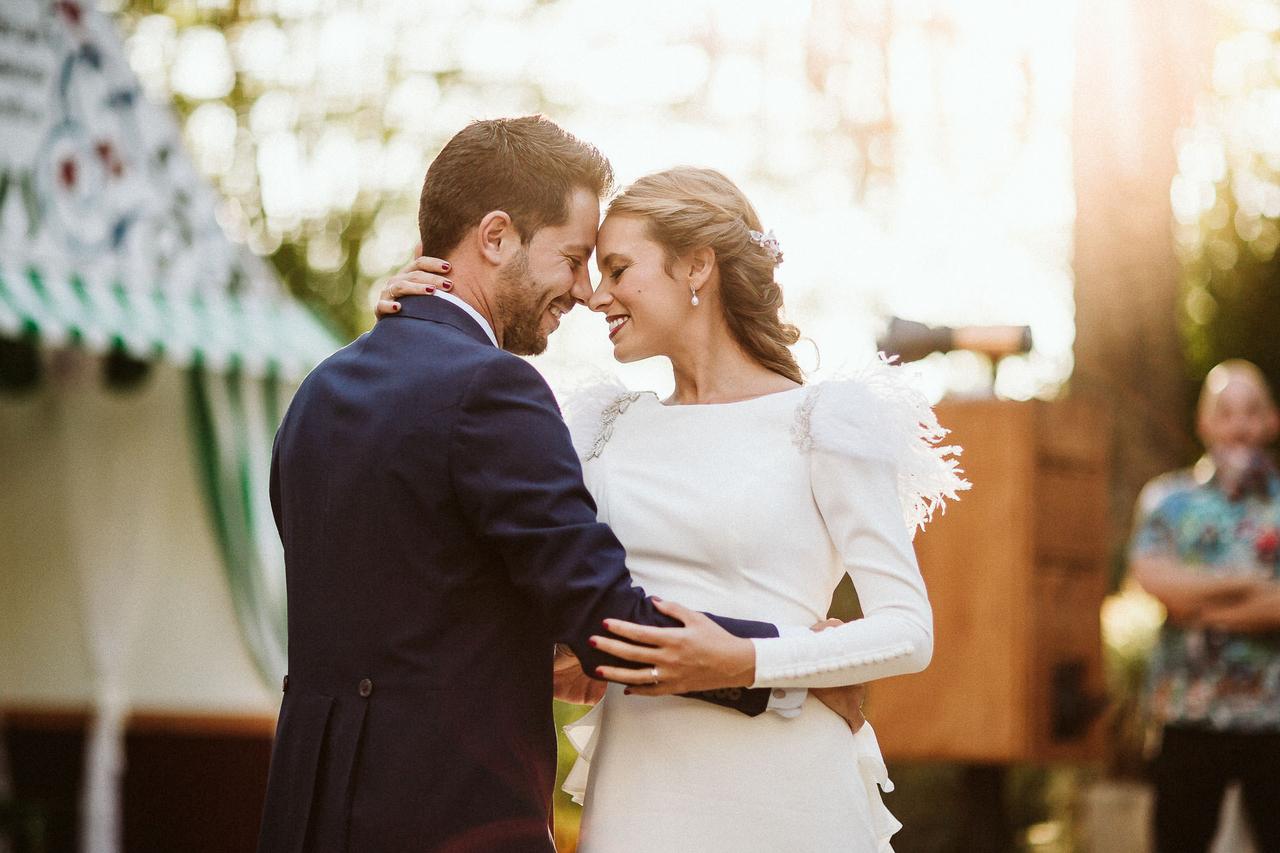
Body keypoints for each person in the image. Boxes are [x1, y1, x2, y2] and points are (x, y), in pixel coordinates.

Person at [257, 117, 865, 853]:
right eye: (574, 258)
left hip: (307, 815)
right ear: (495, 237)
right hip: (454, 820)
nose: (583, 291)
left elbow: (412, 599)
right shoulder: (492, 389)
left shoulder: (320, 391)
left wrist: (539, 658)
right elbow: (605, 617)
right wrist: (790, 661)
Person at [378, 163, 968, 851]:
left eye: (619, 269)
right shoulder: (601, 428)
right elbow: (511, 571)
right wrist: (414, 334)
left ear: (697, 267)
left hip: (789, 793)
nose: (595, 296)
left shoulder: (824, 420)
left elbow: (908, 629)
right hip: (639, 795)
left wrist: (755, 661)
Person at [1129, 359, 1280, 853]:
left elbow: (1178, 593)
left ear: (1272, 419)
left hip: (1273, 717)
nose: (1239, 424)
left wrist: (1200, 606)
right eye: (1226, 411)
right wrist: (1248, 584)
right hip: (1188, 715)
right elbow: (1153, 578)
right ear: (1205, 422)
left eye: (1252, 411)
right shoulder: (1167, 500)